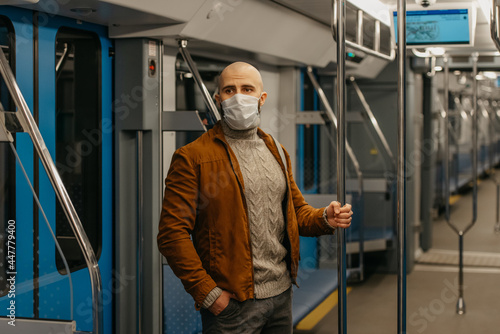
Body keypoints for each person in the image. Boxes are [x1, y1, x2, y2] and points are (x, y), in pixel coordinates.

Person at [157, 62, 353, 333]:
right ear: (218, 99)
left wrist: (325, 217)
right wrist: (209, 295)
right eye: (229, 90)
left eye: (247, 89)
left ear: (262, 98)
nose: (238, 96)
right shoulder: (192, 158)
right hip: (232, 306)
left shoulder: (276, 150)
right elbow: (171, 234)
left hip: (282, 296)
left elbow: (295, 213)